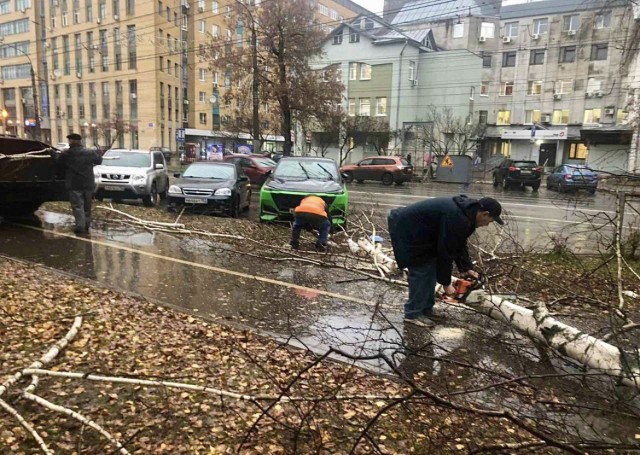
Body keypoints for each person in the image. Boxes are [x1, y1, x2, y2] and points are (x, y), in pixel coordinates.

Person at [388, 195, 504, 327]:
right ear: (485, 214)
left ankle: (426, 310)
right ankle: (413, 314)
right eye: (490, 221)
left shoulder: (468, 215)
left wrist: (467, 268)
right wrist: (446, 284)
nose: (487, 225)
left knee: (430, 267)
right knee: (422, 269)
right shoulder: (457, 217)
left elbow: (459, 243)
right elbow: (446, 251)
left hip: (423, 233)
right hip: (407, 228)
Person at [58, 133, 102, 234]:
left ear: (72, 141)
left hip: (74, 184)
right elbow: (99, 161)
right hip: (88, 183)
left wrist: (53, 153)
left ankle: (80, 227)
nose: (69, 143)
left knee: (78, 206)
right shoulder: (89, 152)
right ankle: (86, 225)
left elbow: (58, 162)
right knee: (87, 205)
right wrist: (99, 153)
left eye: (69, 141)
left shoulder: (67, 153)